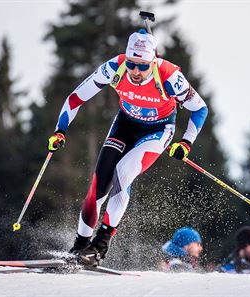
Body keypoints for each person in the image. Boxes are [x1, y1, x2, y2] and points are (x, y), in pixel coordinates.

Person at [47, 29, 208, 266]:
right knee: (98, 184)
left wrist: (186, 142)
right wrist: (60, 130)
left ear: (152, 62)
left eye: (142, 66)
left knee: (122, 173)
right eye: (132, 64)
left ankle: (100, 247)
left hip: (158, 131)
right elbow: (76, 98)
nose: (135, 71)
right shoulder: (115, 67)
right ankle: (80, 246)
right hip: (125, 124)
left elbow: (200, 108)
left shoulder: (169, 76)